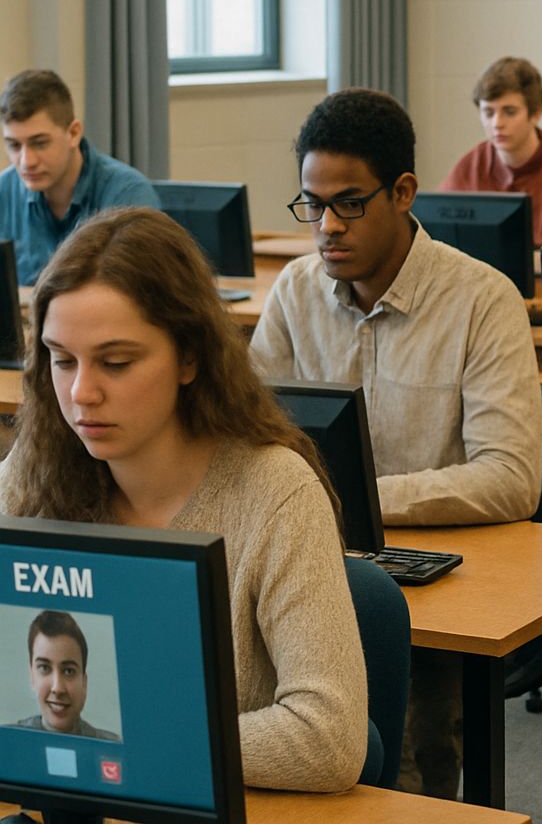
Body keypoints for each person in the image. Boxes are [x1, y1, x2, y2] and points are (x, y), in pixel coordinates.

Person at [0, 207, 367, 791]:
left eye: (116, 363)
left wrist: (119, 741)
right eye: (61, 359)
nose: (80, 393)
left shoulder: (275, 492)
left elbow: (329, 737)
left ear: (190, 358)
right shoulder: (32, 473)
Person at [249, 88, 542, 799]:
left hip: (434, 579)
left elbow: (509, 477)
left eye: (348, 202)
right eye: (311, 204)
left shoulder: (482, 300)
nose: (325, 225)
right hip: (307, 559)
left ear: (404, 192)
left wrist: (356, 501)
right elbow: (243, 437)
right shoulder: (293, 293)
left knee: (407, 776)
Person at [0, 70, 159, 285]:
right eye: (14, 145)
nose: (26, 161)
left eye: (40, 143)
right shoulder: (4, 190)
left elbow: (138, 293)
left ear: (73, 133)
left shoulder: (128, 194)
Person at [439, 56, 542, 246]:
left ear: (536, 113)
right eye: (488, 113)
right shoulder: (471, 164)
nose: (497, 124)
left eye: (510, 112)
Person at [15, 610, 119, 741]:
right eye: (45, 668)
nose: (57, 688)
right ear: (32, 677)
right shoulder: (7, 743)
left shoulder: (112, 745)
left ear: (84, 682)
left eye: (68, 671)